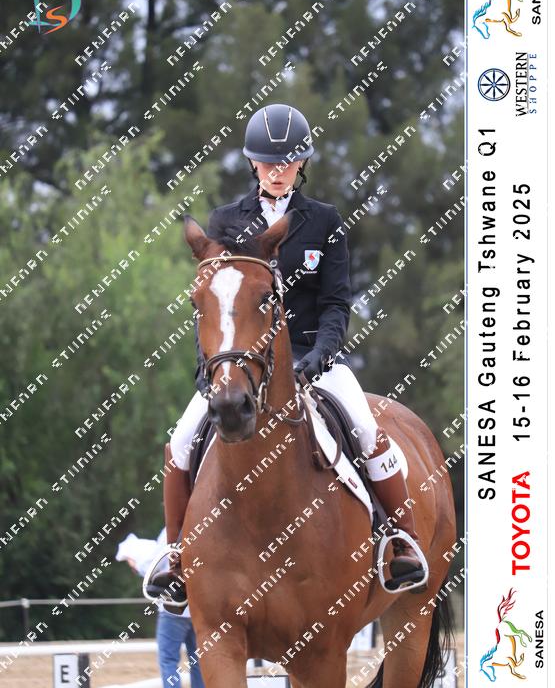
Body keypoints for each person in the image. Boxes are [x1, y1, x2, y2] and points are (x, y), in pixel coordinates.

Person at [146, 103, 425, 602]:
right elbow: (215, 301)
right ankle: (176, 556)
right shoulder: (226, 220)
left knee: (366, 430)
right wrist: (208, 366)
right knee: (181, 440)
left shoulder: (324, 221)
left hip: (312, 357)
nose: (278, 171)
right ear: (253, 163)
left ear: (302, 164)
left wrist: (322, 353)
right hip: (241, 361)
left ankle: (401, 541)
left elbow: (336, 302)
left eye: (288, 162)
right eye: (268, 162)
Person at [116, 529, 205, 688]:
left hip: (173, 608)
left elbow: (154, 565)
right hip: (198, 607)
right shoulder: (203, 529)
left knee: (168, 660)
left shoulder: (170, 530)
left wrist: (136, 564)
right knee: (197, 661)